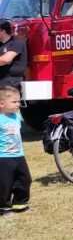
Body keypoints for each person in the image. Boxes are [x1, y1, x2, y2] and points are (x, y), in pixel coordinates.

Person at [0, 85, 30, 215]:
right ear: (2, 103)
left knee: (25, 179)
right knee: (5, 183)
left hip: (19, 155)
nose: (18, 104)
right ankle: (3, 207)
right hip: (3, 157)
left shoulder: (16, 117)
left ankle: (20, 204)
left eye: (18, 101)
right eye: (14, 102)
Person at [0, 20, 28, 90]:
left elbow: (6, 59)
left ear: (2, 31)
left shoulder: (16, 43)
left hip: (10, 82)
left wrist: (3, 60)